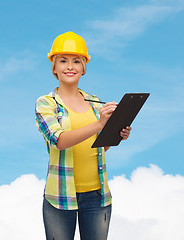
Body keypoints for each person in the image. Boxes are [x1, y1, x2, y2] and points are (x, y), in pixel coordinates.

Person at [35, 31, 131, 240]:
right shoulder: (46, 103)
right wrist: (99, 124)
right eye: (63, 61)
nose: (70, 66)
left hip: (97, 197)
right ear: (54, 67)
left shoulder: (94, 102)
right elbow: (59, 141)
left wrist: (116, 136)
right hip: (60, 197)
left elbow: (98, 147)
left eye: (76, 61)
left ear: (83, 67)